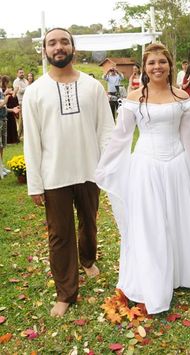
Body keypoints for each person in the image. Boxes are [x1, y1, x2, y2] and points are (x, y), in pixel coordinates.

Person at [95, 43, 190, 315]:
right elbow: (120, 138)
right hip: (146, 167)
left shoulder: (181, 96)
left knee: (178, 219)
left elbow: (189, 140)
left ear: (170, 65)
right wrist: (103, 168)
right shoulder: (135, 97)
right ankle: (153, 281)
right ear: (144, 67)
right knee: (150, 224)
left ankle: (182, 274)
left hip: (177, 167)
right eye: (151, 63)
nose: (157, 66)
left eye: (162, 61)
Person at [22, 28, 114, 317]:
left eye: (64, 42)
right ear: (45, 50)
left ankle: (87, 260)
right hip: (54, 176)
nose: (58, 47)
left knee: (89, 222)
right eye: (52, 43)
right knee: (60, 235)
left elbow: (106, 131)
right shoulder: (35, 92)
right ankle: (65, 292)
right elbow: (32, 142)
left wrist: (109, 169)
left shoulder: (92, 87)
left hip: (90, 170)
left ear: (73, 47)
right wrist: (35, 184)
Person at [1, 75, 20, 144]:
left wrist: (14, 93)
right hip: (5, 109)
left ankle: (13, 139)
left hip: (10, 108)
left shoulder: (8, 89)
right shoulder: (2, 90)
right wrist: (7, 93)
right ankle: (8, 140)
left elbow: (12, 99)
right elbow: (4, 100)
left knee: (12, 124)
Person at [13, 68, 29, 140]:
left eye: (22, 72)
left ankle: (23, 136)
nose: (22, 74)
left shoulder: (25, 80)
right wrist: (28, 88)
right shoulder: (16, 81)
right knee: (22, 119)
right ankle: (18, 136)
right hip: (21, 102)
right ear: (17, 74)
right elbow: (20, 91)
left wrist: (27, 88)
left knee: (26, 119)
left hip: (27, 101)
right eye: (20, 73)